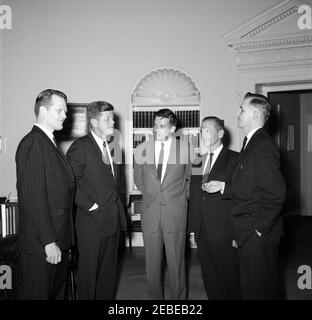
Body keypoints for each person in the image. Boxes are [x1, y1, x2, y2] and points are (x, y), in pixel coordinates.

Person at [206, 93, 286, 299]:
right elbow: (250, 187)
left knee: (261, 290)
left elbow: (276, 195)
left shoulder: (262, 146)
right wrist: (224, 186)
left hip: (257, 234)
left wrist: (258, 230)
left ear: (255, 114)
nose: (238, 113)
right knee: (251, 289)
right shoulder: (250, 143)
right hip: (248, 232)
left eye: (242, 109)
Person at [15, 89, 75, 299]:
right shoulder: (33, 143)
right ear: (42, 110)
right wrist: (49, 242)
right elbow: (33, 198)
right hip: (43, 245)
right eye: (59, 110)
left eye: (65, 112)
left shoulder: (49, 143)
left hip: (56, 240)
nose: (65, 116)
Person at [66, 101, 127, 300]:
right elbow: (70, 184)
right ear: (93, 121)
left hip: (112, 221)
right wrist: (91, 206)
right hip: (91, 224)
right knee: (89, 278)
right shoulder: (80, 147)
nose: (113, 121)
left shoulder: (114, 145)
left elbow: (116, 184)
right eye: (107, 118)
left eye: (113, 117)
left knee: (107, 278)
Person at [133, 108, 194, 300]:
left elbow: (190, 181)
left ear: (172, 128)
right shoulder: (142, 149)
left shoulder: (185, 149)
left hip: (175, 214)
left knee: (177, 264)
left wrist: (177, 200)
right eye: (154, 125)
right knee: (152, 265)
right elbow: (139, 181)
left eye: (162, 126)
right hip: (151, 214)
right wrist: (155, 196)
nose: (156, 129)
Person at [188, 116, 241, 299]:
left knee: (231, 281)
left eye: (208, 130)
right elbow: (194, 197)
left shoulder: (235, 159)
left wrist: (222, 187)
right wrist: (194, 230)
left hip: (225, 232)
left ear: (220, 133)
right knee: (210, 280)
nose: (203, 134)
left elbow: (243, 194)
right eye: (202, 130)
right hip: (203, 232)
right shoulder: (197, 162)